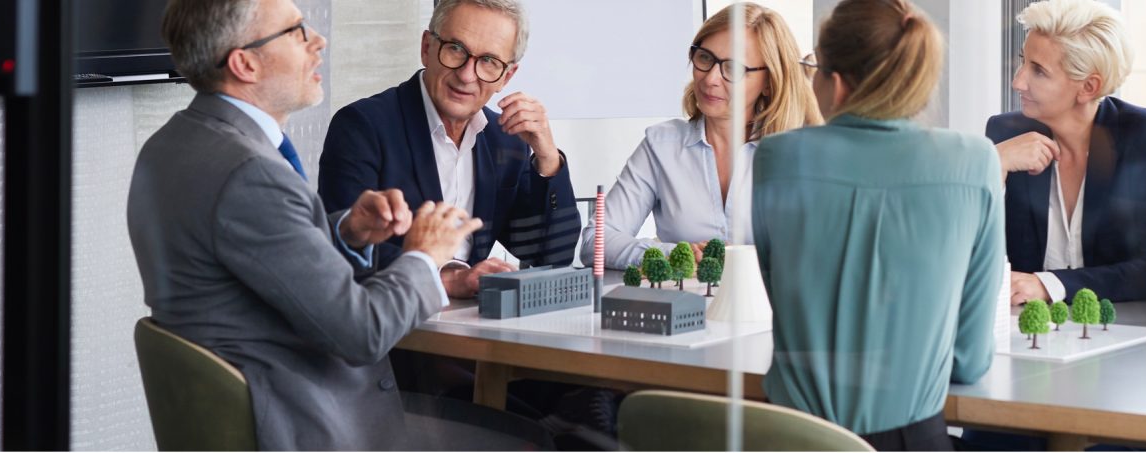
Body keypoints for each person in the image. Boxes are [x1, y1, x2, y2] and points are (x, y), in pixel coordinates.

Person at [130, 0, 529, 448]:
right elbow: (363, 333)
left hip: (261, 410)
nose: (319, 43)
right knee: (529, 438)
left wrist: (345, 231)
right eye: (297, 33)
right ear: (245, 63)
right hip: (310, 423)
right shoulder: (252, 173)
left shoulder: (170, 145)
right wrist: (424, 255)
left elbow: (267, 266)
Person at [752, 0, 1000, 450]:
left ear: (838, 84)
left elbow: (791, 310)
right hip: (909, 441)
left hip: (789, 436)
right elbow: (968, 360)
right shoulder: (975, 160)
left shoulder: (779, 156)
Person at [320, 0, 579, 300]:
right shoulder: (362, 126)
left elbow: (551, 254)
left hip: (472, 328)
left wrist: (547, 159)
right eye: (456, 48)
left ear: (506, 76)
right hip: (392, 329)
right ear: (427, 47)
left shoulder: (505, 138)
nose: (467, 75)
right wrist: (444, 278)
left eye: (489, 61)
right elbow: (342, 246)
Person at [579, 2, 821, 269]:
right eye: (705, 58)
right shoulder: (661, 145)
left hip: (771, 309)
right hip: (685, 307)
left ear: (768, 83)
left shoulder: (798, 153)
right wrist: (675, 254)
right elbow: (595, 242)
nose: (710, 79)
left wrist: (742, 258)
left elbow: (821, 252)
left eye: (733, 68)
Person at [987, 0, 1146, 306]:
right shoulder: (1005, 134)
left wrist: (1047, 285)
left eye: (1038, 71)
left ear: (1089, 87)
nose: (1017, 81)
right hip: (1022, 330)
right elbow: (966, 254)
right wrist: (992, 167)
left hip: (1125, 332)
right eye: (1024, 61)